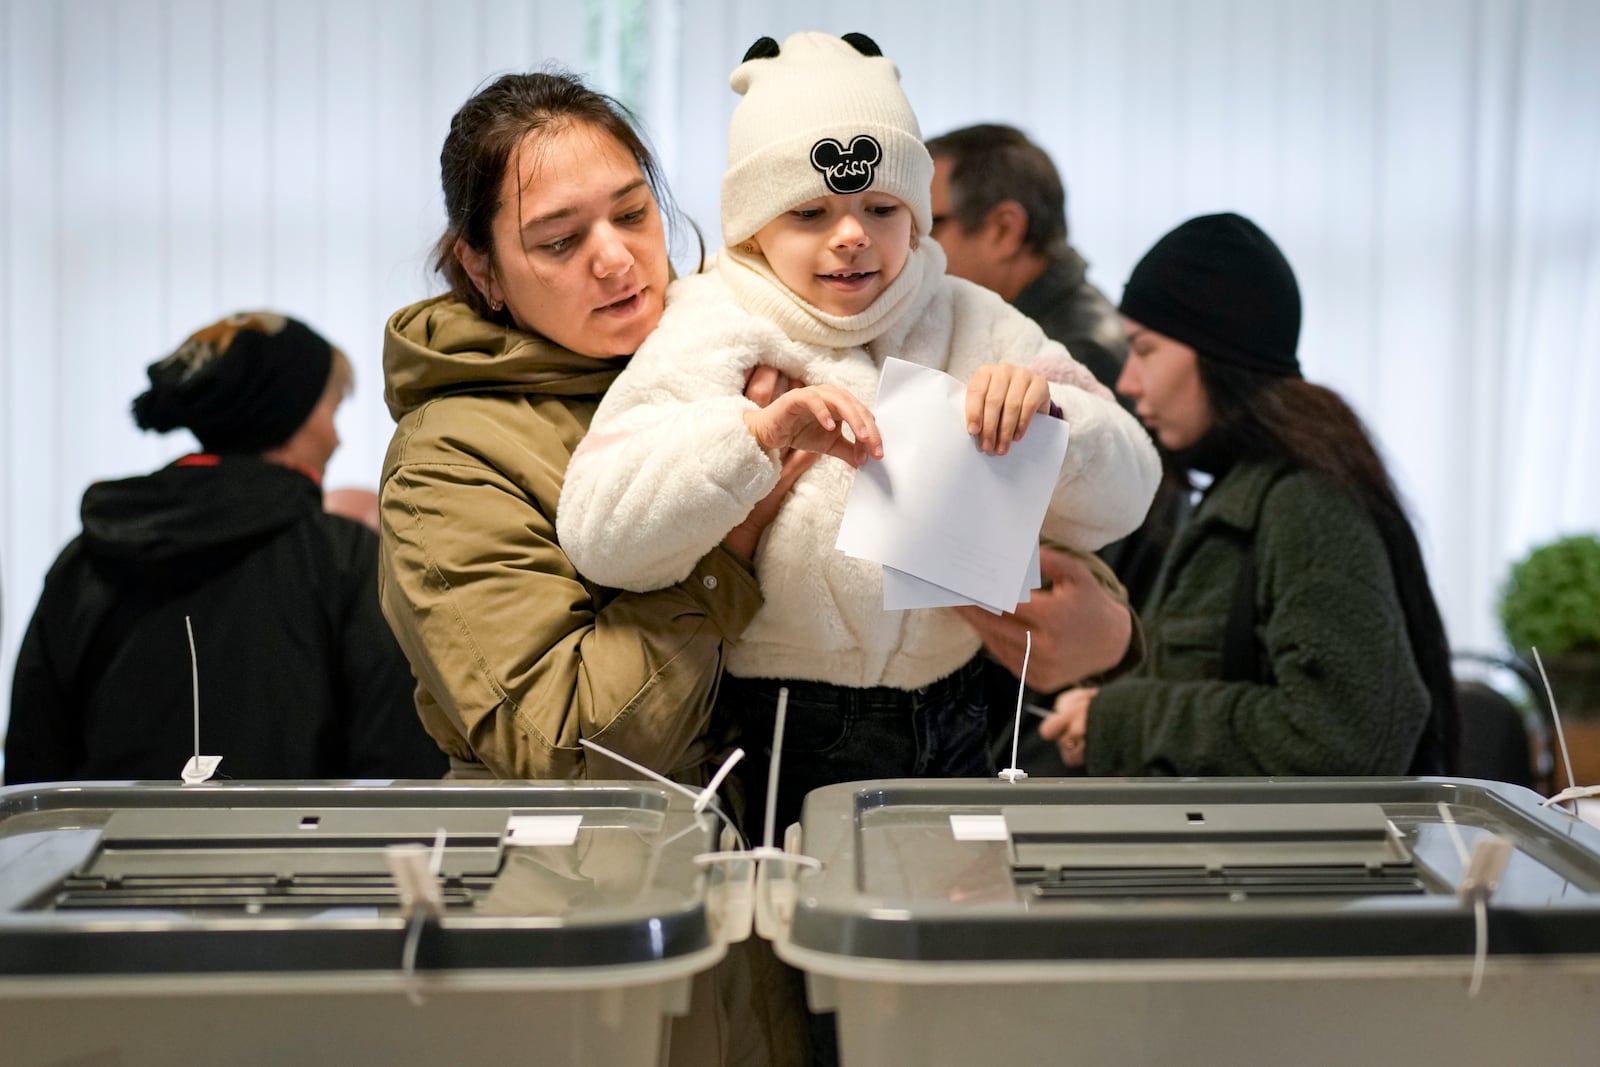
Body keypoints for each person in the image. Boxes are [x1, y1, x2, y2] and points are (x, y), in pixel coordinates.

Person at [556, 31, 1159, 846]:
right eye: (809, 211)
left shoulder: (973, 318)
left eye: (883, 208)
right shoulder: (708, 324)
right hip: (776, 719)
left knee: (946, 948)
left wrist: (1054, 420)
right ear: (751, 226)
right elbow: (600, 531)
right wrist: (752, 440)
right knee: (801, 948)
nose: (851, 234)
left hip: (961, 712)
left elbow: (1131, 493)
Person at [375, 70, 807, 1066]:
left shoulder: (720, 356)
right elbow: (571, 746)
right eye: (560, 241)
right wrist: (728, 541)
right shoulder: (455, 454)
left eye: (632, 213)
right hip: (578, 911)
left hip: (761, 891)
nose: (617, 260)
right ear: (481, 269)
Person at [1039, 213, 1461, 776]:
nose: (1130, 381)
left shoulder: (1305, 502)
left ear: (1215, 351)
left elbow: (1345, 732)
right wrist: (1103, 709)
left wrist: (1125, 718)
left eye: (1146, 349)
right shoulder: (1247, 490)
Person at [4, 312, 445, 785]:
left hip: (100, 856)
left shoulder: (87, 558)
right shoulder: (341, 558)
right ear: (284, 412)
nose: (336, 437)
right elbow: (395, 761)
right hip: (300, 856)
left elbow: (34, 770)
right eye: (331, 411)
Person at [924, 123, 1184, 774]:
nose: (909, 250)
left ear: (1005, 229)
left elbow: (1017, 565)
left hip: (1052, 709)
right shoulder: (1066, 323)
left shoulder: (1068, 359)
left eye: (929, 225)